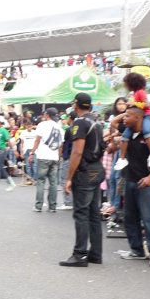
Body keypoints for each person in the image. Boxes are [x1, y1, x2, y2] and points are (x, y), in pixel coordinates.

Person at [59, 93, 105, 267]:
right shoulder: (97, 122)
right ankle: (96, 253)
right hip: (96, 169)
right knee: (93, 213)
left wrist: (69, 178)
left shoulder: (80, 123)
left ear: (76, 105)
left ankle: (79, 254)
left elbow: (77, 152)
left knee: (81, 213)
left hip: (85, 171)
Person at [119, 105, 150, 267]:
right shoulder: (128, 135)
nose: (124, 118)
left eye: (128, 116)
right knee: (129, 218)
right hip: (130, 180)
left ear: (138, 118)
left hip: (145, 183)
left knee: (148, 218)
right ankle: (136, 250)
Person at [114, 73, 150, 172]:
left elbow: (147, 105)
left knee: (147, 130)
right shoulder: (134, 93)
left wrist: (134, 103)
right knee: (125, 136)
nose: (125, 86)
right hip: (137, 118)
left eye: (126, 84)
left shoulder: (141, 92)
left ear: (132, 83)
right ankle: (122, 158)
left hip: (146, 116)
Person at [30, 107, 63, 212]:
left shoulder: (42, 125)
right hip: (54, 157)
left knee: (41, 181)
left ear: (47, 115)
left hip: (43, 157)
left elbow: (37, 140)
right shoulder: (59, 127)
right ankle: (52, 207)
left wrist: (32, 152)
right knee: (53, 182)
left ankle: (38, 206)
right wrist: (59, 157)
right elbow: (60, 145)